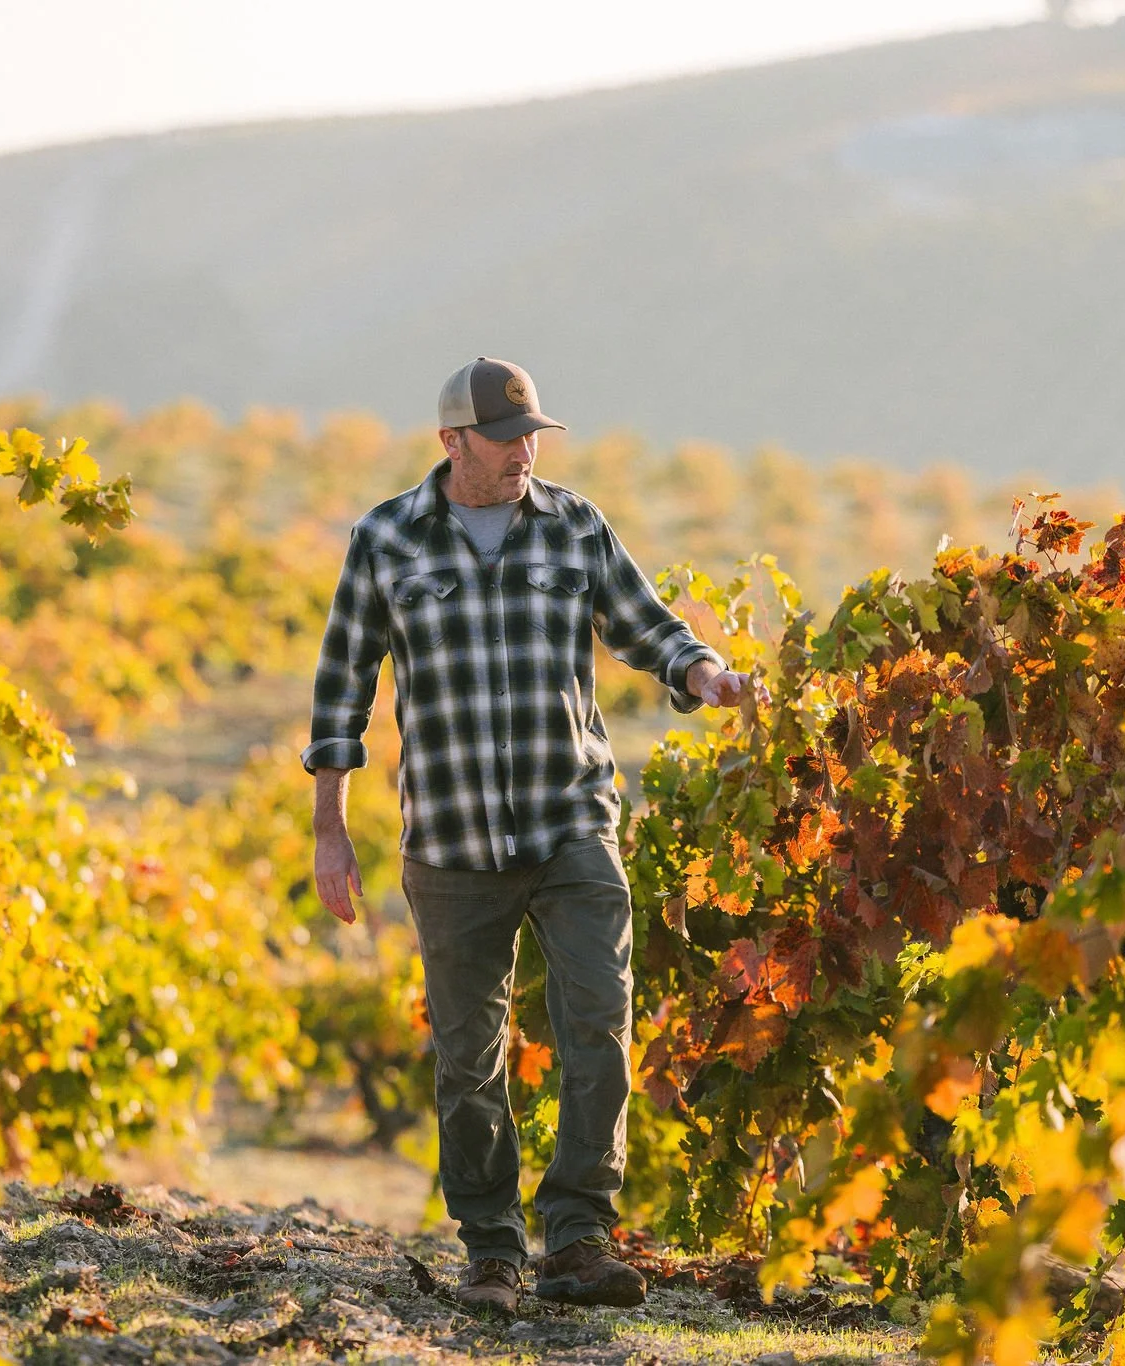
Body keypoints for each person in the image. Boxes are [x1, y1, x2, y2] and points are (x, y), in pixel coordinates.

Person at [303, 357, 749, 1312]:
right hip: (453, 842)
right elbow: (343, 689)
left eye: (532, 437)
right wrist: (329, 831)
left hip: (571, 822)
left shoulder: (576, 525)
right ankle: (493, 1251)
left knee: (601, 1026)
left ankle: (580, 1239)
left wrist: (703, 673)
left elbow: (646, 626)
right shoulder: (385, 540)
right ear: (451, 443)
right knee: (470, 1057)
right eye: (505, 440)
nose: (522, 455)